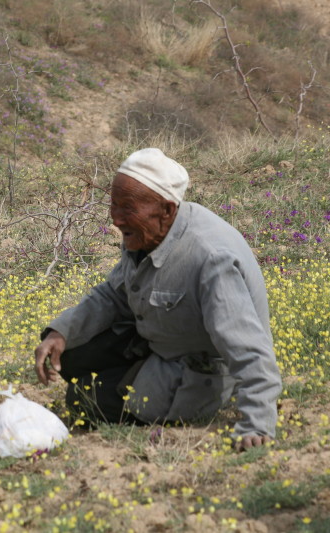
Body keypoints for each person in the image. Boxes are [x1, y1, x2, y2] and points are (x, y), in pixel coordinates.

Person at [34, 148, 281, 451]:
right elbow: (113, 294)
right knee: (70, 353)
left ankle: (142, 386)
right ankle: (130, 373)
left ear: (166, 209)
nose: (116, 218)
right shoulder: (147, 232)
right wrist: (62, 332)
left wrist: (257, 420)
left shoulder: (211, 258)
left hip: (196, 371)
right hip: (159, 340)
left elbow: (249, 346)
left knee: (84, 400)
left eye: (127, 207)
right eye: (113, 204)